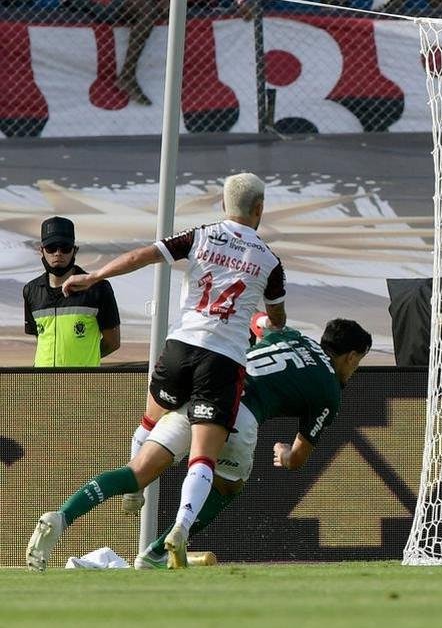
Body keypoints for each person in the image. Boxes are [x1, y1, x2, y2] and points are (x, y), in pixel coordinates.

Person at [25, 173, 287, 572]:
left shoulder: (201, 235)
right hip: (222, 361)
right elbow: (278, 317)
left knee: (148, 427)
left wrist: (93, 276)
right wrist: (269, 321)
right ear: (259, 209)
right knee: (203, 458)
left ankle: (100, 505)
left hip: (179, 350)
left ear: (222, 204)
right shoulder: (269, 260)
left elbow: (140, 256)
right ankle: (180, 528)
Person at [25, 317, 369, 571]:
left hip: (205, 390)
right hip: (239, 414)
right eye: (358, 362)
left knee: (136, 472)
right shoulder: (330, 391)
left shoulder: (293, 334)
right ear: (351, 357)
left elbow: (259, 321)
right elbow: (297, 458)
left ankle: (61, 515)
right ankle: (159, 550)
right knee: (227, 485)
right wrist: (283, 453)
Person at [22, 216, 121, 367]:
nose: (58, 253)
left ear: (74, 250)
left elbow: (112, 343)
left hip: (82, 385)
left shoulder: (98, 289)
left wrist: (84, 362)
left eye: (65, 247)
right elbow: (42, 339)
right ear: (41, 250)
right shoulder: (31, 290)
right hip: (43, 384)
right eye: (51, 248)